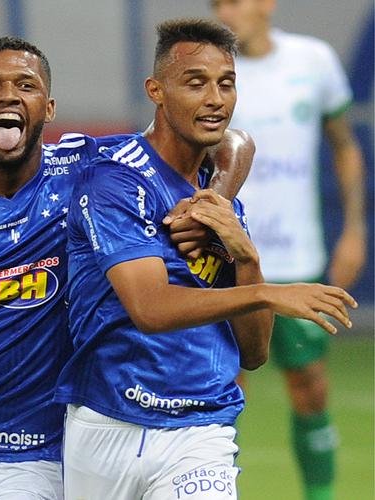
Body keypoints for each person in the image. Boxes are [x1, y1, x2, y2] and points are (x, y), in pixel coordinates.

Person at [0, 36, 254, 499]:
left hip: (35, 456)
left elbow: (234, 141)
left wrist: (211, 202)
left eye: (25, 85)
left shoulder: (91, 171)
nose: (8, 96)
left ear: (48, 108)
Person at [54, 18, 358, 500]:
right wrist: (267, 293)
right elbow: (150, 309)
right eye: (196, 83)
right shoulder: (115, 180)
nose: (215, 98)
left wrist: (247, 258)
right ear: (156, 90)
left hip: (201, 431)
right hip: (106, 424)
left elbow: (253, 354)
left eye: (226, 84)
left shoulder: (221, 202)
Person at [210, 2, 367, 499]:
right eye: (217, 4)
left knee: (310, 387)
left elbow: (344, 145)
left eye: (235, 1)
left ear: (267, 3)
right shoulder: (211, 71)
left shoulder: (313, 61)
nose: (226, 12)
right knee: (223, 393)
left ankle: (321, 495)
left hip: (297, 260)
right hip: (223, 263)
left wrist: (354, 230)